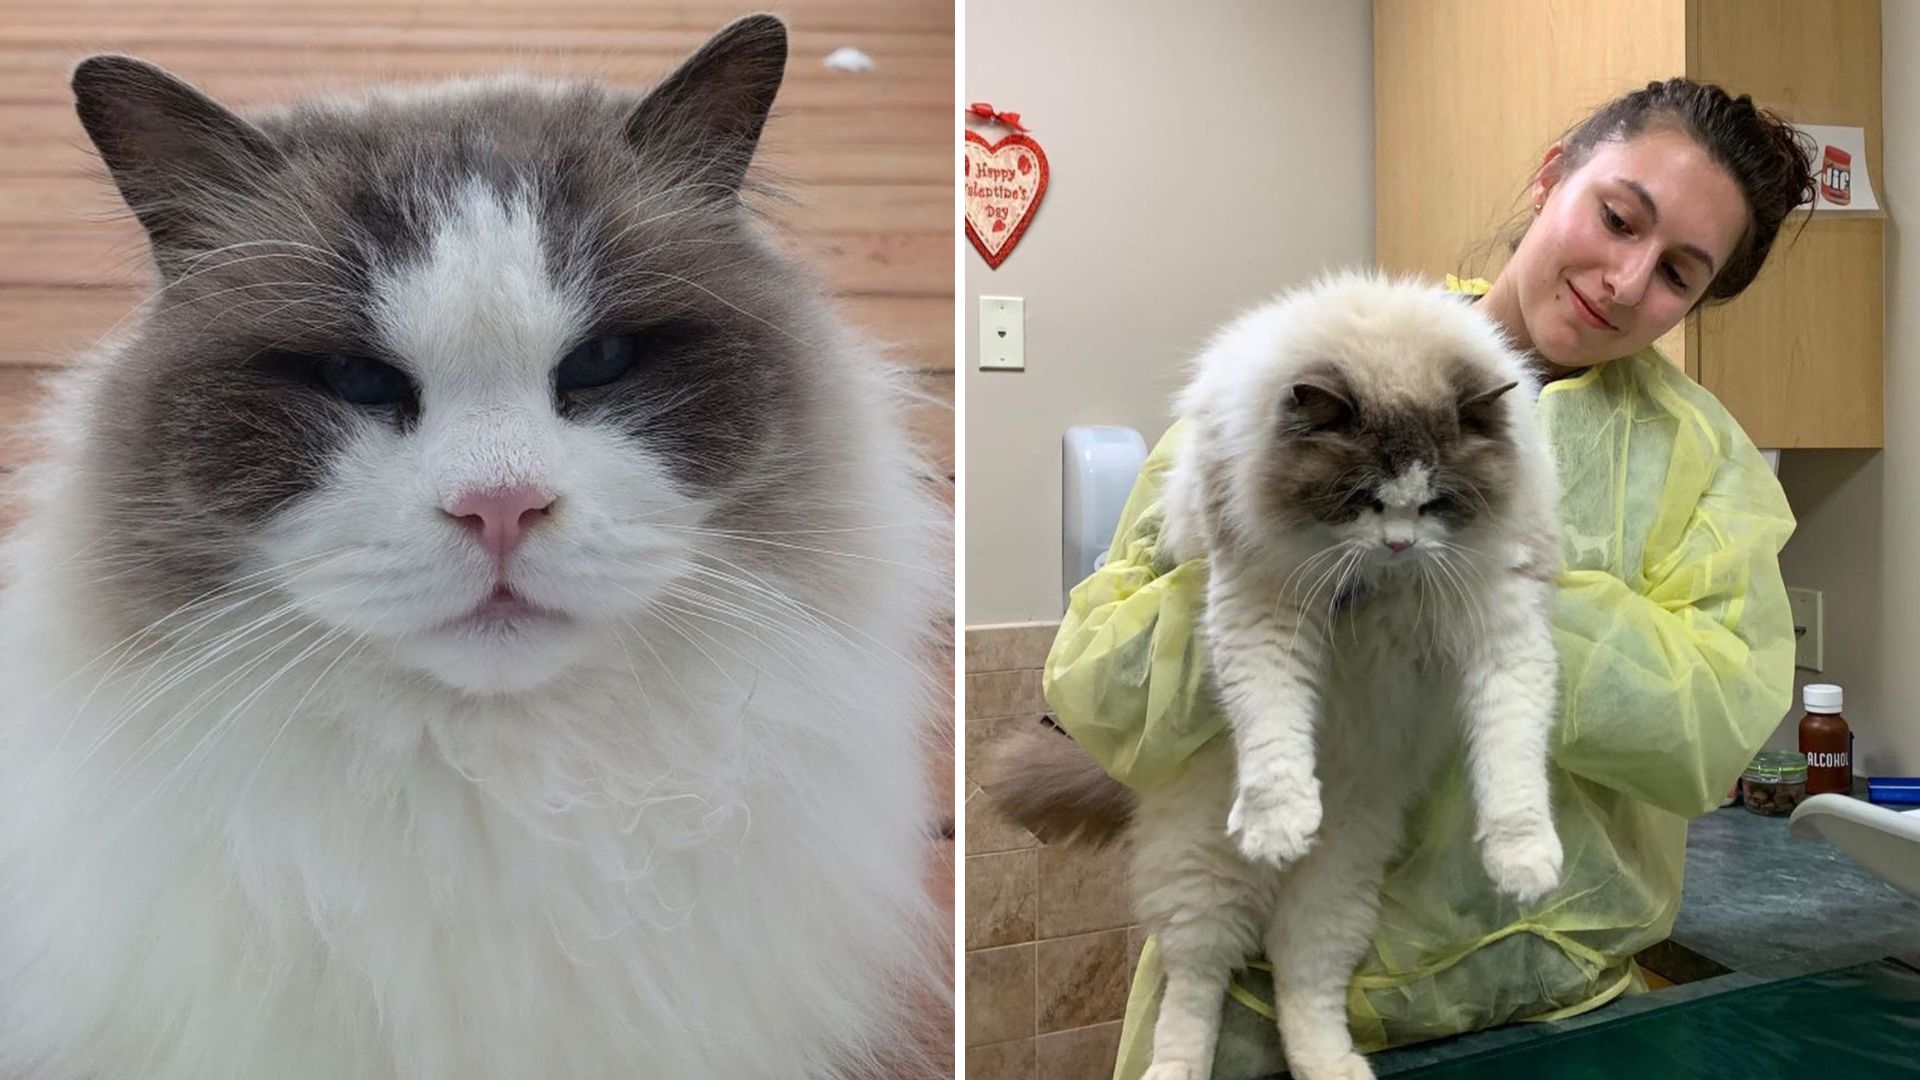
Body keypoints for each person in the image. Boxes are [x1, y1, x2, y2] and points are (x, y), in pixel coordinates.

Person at [1039, 78, 1817, 1079]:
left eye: (1677, 273)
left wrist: (1502, 587)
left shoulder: (1701, 463)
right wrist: (1283, 580)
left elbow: (1712, 731)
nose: (1626, 280)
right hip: (1253, 1019)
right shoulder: (1314, 370)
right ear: (1553, 177)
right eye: (1618, 217)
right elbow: (1100, 689)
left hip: (1561, 1025)